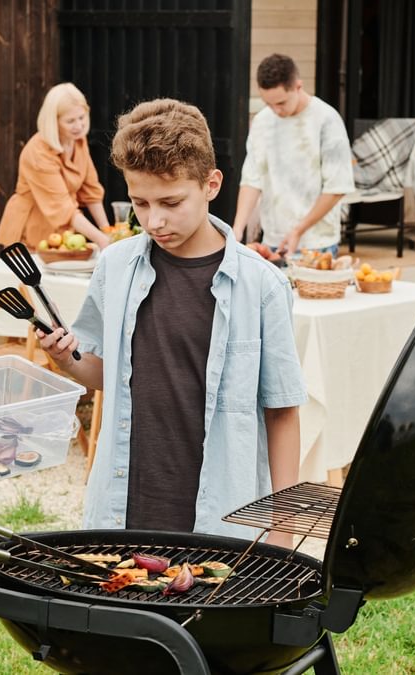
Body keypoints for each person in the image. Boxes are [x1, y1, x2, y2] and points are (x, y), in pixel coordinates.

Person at [37, 99, 307, 546]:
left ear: (211, 184)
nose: (154, 220)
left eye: (171, 202)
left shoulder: (264, 285)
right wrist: (68, 360)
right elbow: (111, 374)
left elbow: (282, 411)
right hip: (126, 505)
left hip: (223, 514)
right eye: (139, 203)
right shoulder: (116, 266)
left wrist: (283, 526)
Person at [232, 53, 356, 257]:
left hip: (316, 243)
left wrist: (299, 230)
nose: (275, 110)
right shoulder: (263, 121)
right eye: (268, 104)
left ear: (298, 87)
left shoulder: (327, 120)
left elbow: (337, 187)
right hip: (271, 241)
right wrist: (238, 228)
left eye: (281, 103)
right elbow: (252, 179)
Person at [0, 83, 112, 249]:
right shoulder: (38, 152)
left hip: (62, 233)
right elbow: (61, 206)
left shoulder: (78, 141)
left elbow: (91, 190)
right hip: (30, 235)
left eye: (81, 117)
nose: (79, 126)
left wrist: (107, 231)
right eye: (70, 121)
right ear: (53, 121)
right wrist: (102, 240)